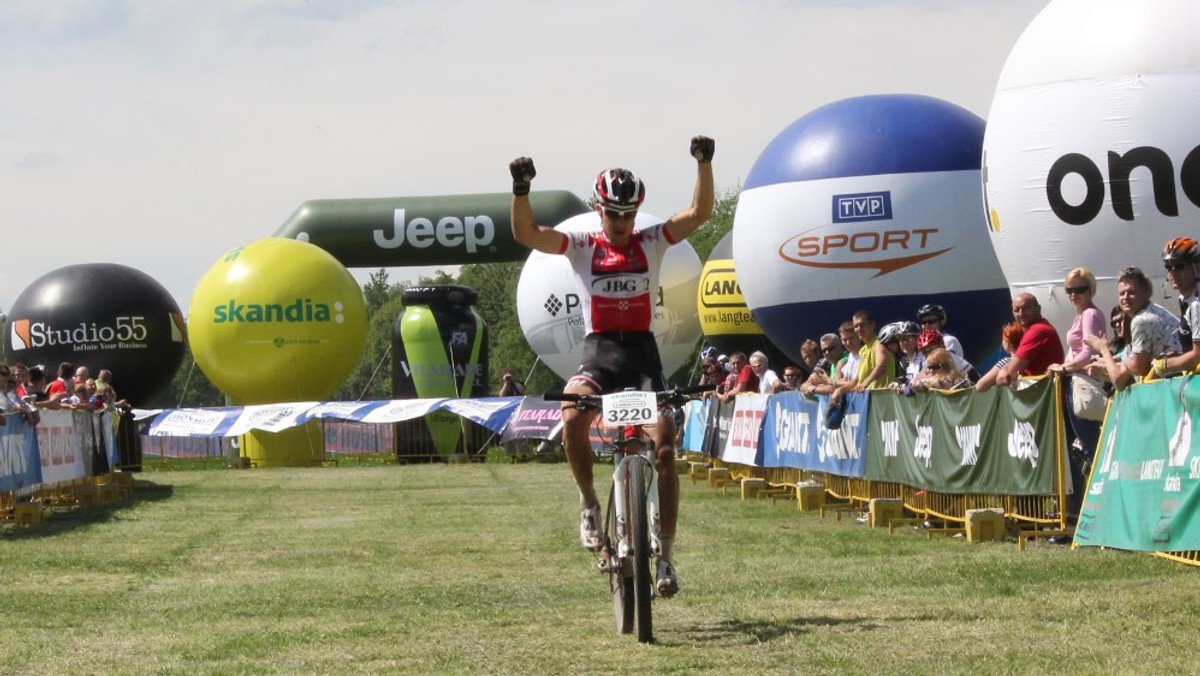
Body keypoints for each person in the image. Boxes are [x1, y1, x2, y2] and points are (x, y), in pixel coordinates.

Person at [509, 134, 715, 598]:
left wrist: (704, 163)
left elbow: (698, 214)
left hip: (643, 355)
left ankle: (666, 557)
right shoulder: (582, 245)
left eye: (628, 215)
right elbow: (527, 235)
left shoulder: (653, 242)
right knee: (571, 418)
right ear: (598, 209)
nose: (621, 223)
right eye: (613, 214)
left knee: (664, 449)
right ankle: (589, 504)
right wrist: (521, 191)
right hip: (599, 354)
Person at [1045, 268, 1106, 526]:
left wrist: (1065, 367)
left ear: (1090, 290)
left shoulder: (1090, 314)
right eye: (1069, 290)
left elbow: (1089, 353)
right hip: (1075, 384)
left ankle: (1099, 510)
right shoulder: (1079, 315)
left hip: (1083, 384)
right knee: (1080, 450)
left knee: (1091, 448)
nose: (1073, 295)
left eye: (1079, 289)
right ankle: (1080, 509)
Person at [1085, 266, 1180, 389]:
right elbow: (1135, 368)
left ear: (1147, 293)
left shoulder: (1141, 320)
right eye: (1122, 293)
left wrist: (1104, 350)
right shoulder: (1154, 309)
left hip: (1171, 389)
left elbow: (1121, 381)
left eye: (1131, 292)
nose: (1125, 297)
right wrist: (1111, 363)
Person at [1149, 237, 1200, 377]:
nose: (1173, 272)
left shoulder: (1197, 304)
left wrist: (1165, 365)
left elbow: (1197, 357)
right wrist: (1179, 356)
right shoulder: (1185, 300)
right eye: (1168, 266)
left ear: (1196, 267)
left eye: (1179, 266)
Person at [996, 294, 1065, 386]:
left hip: (1045, 394)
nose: (1021, 314)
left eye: (1026, 308)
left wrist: (1005, 366)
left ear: (1039, 308)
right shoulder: (1041, 326)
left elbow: (1012, 373)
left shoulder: (1037, 330)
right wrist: (1004, 369)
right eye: (1016, 310)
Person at [975, 322, 1025, 393]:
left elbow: (980, 386)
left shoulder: (1005, 362)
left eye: (1003, 340)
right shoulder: (1028, 358)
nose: (1002, 343)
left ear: (1008, 343)